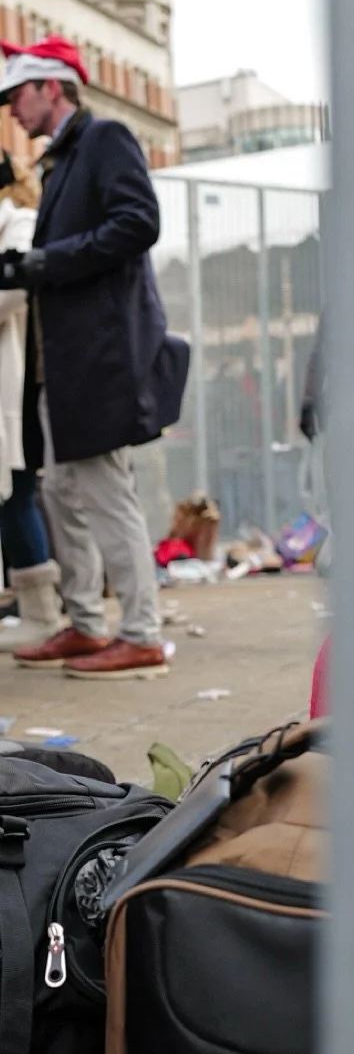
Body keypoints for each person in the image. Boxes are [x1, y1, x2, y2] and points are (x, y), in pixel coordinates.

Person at [0, 35, 168, 677]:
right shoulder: (59, 161)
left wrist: (46, 262)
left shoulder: (105, 138)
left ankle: (143, 631)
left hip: (101, 355)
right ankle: (88, 625)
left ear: (51, 87)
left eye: (17, 94)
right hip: (67, 360)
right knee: (62, 488)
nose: (12, 109)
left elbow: (138, 222)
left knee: (103, 490)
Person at [0, 151, 61, 651]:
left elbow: (12, 292)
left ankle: (43, 613)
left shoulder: (20, 220)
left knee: (17, 495)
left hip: (16, 385)